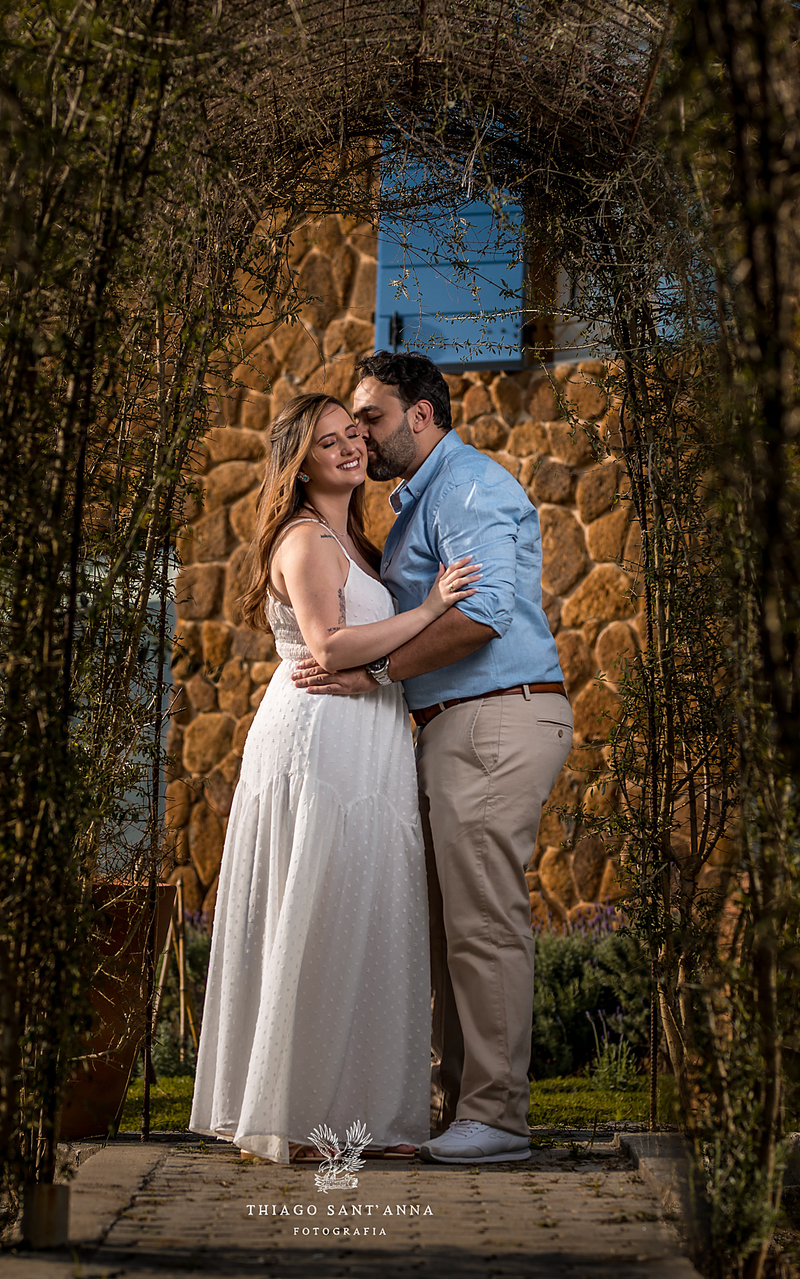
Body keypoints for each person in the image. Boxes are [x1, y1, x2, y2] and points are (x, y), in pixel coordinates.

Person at [294, 350, 572, 1166]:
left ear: (421, 413)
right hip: (457, 725)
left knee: (482, 922)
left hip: (492, 717)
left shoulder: (468, 487)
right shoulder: (421, 503)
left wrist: (374, 670)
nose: (362, 438)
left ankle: (497, 1117)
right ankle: (463, 1110)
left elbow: (482, 614)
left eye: (371, 418)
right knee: (455, 928)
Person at [189, 391, 480, 1164]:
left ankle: (368, 1120)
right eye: (329, 441)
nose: (351, 447)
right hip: (321, 741)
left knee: (371, 917)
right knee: (324, 915)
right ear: (300, 460)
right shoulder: (308, 539)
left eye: (355, 434)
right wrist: (429, 612)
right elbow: (330, 643)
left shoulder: (354, 540)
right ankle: (298, 1116)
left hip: (368, 737)